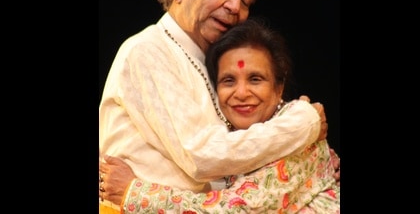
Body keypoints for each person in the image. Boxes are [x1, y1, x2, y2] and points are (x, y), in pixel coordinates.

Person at [99, 0, 339, 213]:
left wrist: (315, 158)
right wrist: (303, 125)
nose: (236, 6)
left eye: (247, 0)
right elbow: (201, 155)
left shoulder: (210, 61)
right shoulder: (147, 50)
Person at [105, 18, 340, 213]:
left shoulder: (299, 135)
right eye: (228, 81)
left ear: (279, 87)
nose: (241, 93)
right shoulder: (230, 140)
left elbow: (233, 209)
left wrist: (133, 192)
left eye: (255, 79)